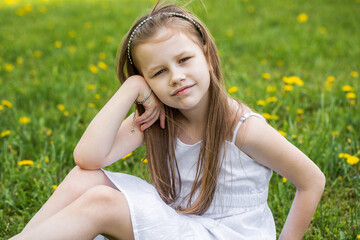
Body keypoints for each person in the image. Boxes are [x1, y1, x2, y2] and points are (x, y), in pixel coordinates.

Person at [10, 2, 325, 240]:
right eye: (158, 72)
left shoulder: (242, 127)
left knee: (102, 202)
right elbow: (88, 159)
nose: (176, 77)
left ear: (207, 54)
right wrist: (131, 88)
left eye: (184, 60)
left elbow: (312, 181)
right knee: (86, 180)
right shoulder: (160, 118)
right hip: (183, 225)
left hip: (225, 235)